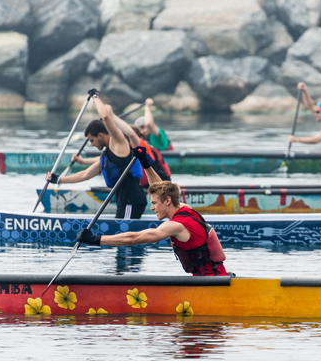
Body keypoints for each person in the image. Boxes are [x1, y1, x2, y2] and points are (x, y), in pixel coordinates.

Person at [76, 180, 229, 277]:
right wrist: (147, 165)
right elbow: (163, 188)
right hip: (216, 276)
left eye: (154, 203)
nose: (152, 207)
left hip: (210, 282)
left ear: (167, 201)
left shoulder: (176, 226)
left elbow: (133, 238)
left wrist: (95, 240)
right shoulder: (186, 209)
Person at [47, 90, 148, 219]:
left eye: (92, 140)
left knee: (122, 237)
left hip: (131, 201)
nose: (92, 144)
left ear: (100, 135)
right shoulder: (106, 156)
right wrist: (58, 180)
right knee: (119, 235)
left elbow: (105, 116)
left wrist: (95, 97)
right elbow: (85, 174)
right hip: (125, 201)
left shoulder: (118, 142)